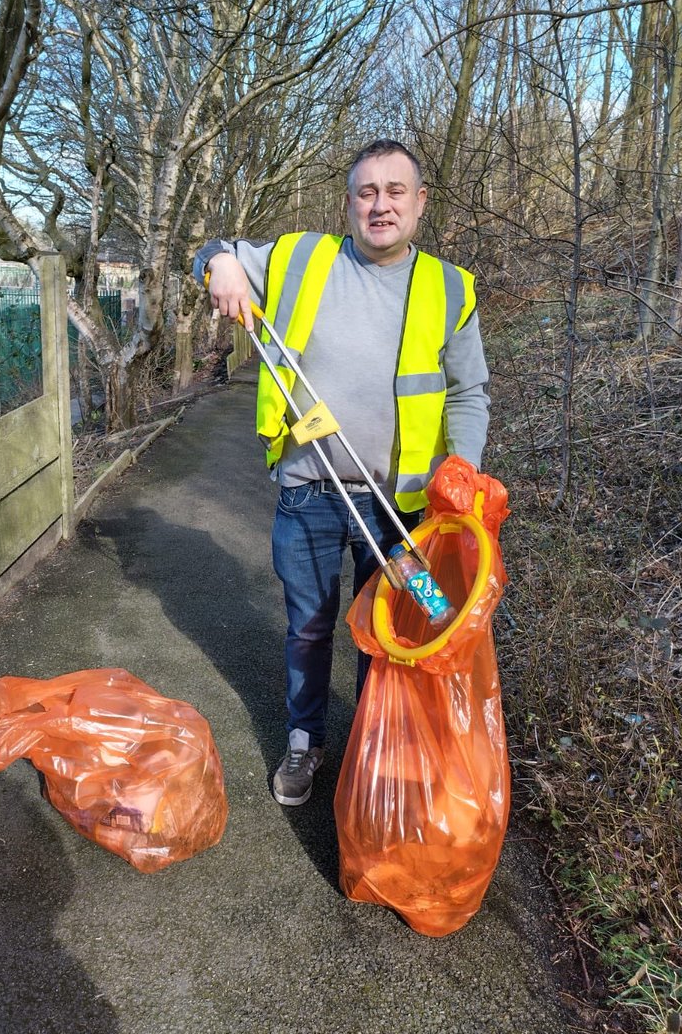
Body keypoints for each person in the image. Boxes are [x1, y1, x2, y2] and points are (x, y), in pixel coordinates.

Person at [193, 139, 490, 806]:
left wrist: (464, 466)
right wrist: (219, 264)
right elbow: (210, 252)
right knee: (308, 625)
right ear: (348, 202)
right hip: (307, 495)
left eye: (394, 190)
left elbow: (470, 392)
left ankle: (385, 746)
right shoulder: (302, 257)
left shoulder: (450, 288)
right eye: (366, 191)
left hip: (401, 509)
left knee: (406, 625)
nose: (380, 204)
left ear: (419, 203)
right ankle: (306, 741)